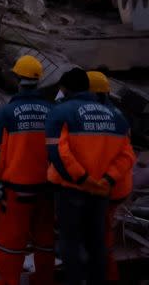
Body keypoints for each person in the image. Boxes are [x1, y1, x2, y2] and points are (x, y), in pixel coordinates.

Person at [46, 68, 135, 285]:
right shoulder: (117, 117)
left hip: (75, 188)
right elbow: (127, 155)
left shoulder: (64, 112)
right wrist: (106, 180)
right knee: (98, 242)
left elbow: (60, 152)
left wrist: (83, 179)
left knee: (72, 242)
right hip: (104, 191)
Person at [0, 55, 54, 285]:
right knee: (45, 240)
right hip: (47, 188)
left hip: (16, 190)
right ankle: (43, 280)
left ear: (16, 78)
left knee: (11, 244)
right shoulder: (52, 111)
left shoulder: (6, 113)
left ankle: (9, 282)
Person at [86, 71, 133, 283]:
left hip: (102, 189)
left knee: (100, 240)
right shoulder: (118, 115)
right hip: (118, 187)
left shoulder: (86, 117)